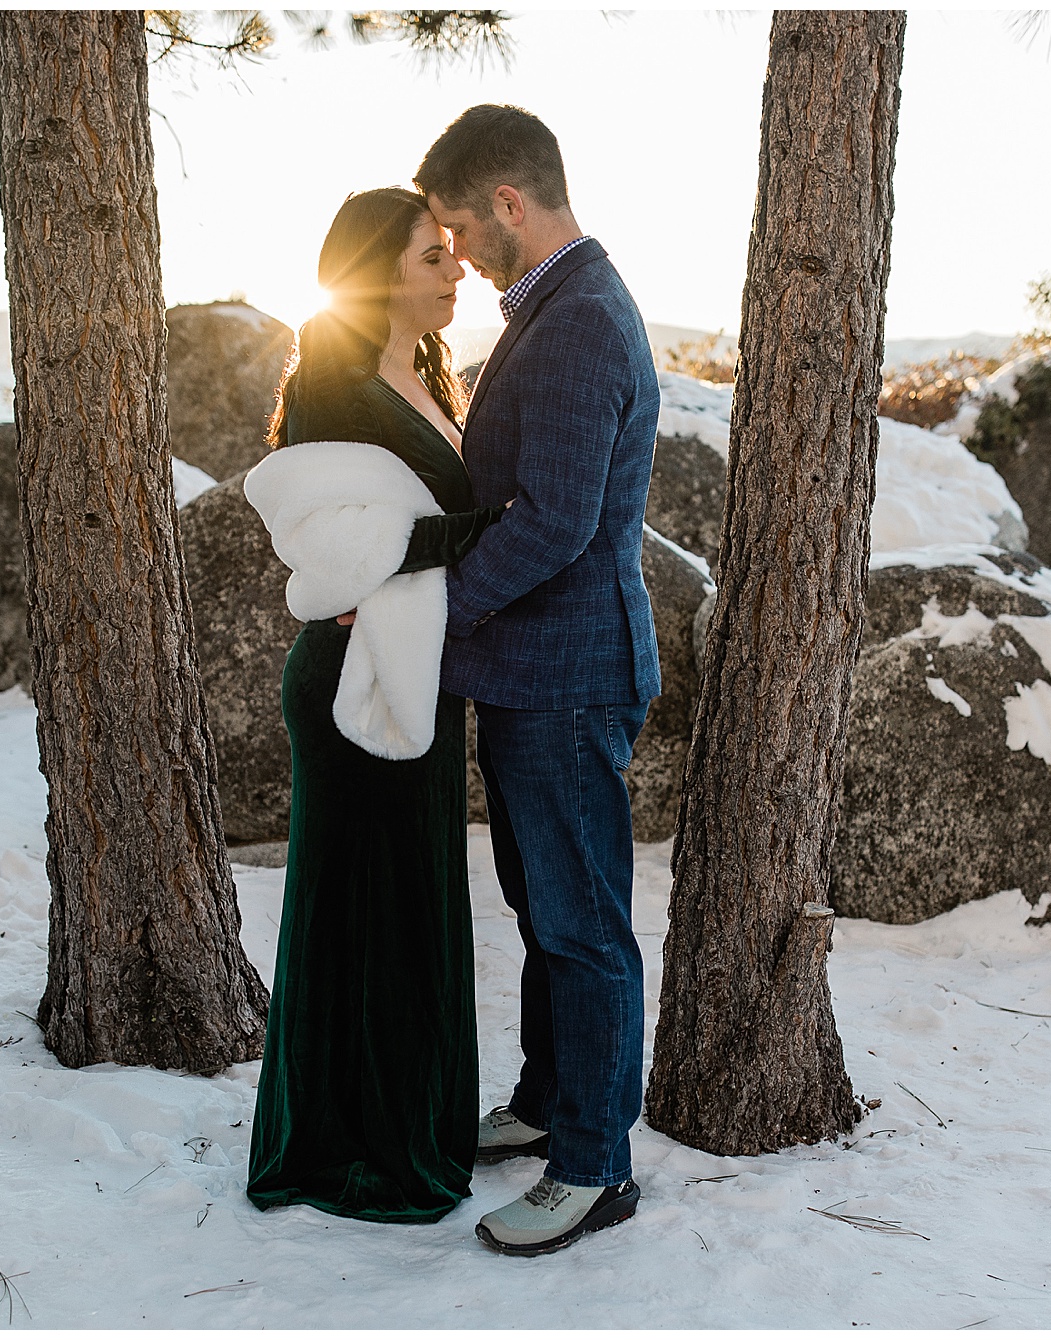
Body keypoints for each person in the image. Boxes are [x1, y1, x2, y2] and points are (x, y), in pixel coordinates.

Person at [416, 105, 662, 1256]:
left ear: (509, 204)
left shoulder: (577, 324)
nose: (456, 250)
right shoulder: (551, 306)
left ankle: (594, 1166)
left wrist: (431, 611)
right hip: (529, 674)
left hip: (566, 674)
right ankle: (542, 1102)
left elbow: (555, 520)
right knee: (541, 908)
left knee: (580, 926)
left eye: (462, 227)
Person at [243, 187, 505, 1224]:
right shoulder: (336, 387)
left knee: (410, 908)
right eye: (432, 256)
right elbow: (337, 556)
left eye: (450, 254)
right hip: (350, 684)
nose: (454, 271)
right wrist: (492, 527)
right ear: (378, 271)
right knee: (361, 917)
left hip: (410, 667)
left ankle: (409, 1126)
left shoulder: (428, 375)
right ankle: (346, 1151)